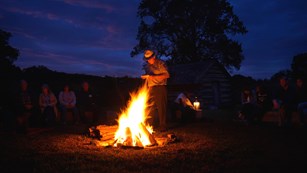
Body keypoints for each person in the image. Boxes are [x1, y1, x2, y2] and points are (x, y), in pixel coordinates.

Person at [141, 49, 170, 132]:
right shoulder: (147, 66)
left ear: (154, 56)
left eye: (149, 58)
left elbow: (167, 75)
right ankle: (149, 125)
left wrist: (152, 77)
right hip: (151, 88)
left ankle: (163, 125)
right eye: (147, 59)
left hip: (160, 87)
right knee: (150, 107)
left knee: (161, 107)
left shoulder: (161, 63)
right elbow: (149, 77)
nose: (148, 61)